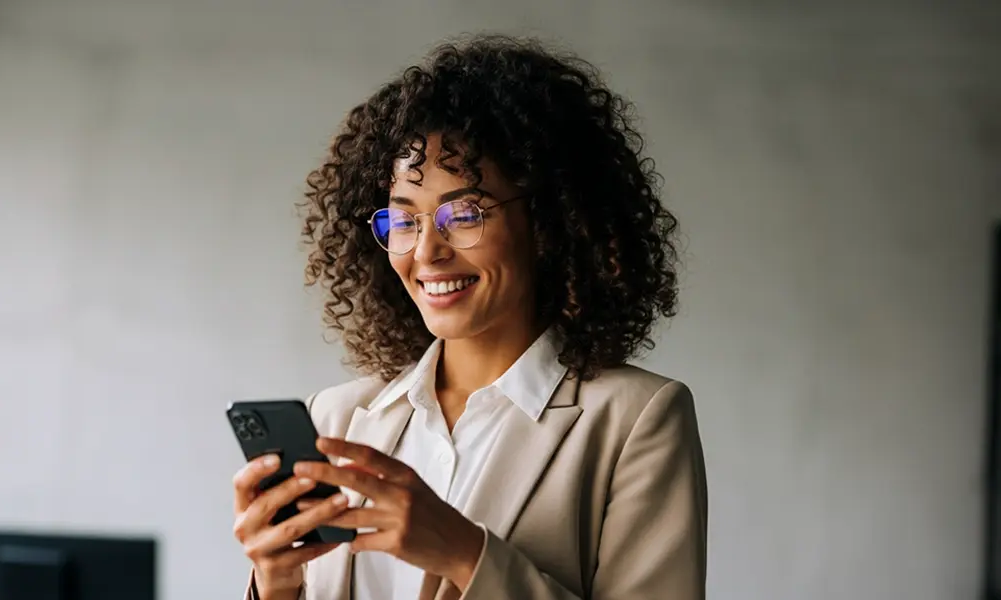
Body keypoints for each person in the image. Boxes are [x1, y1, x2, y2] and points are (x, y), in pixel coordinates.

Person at [232, 34, 707, 600]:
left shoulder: (634, 421)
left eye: (465, 213)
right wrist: (276, 583)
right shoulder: (336, 419)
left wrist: (466, 553)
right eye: (403, 221)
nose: (427, 252)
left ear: (550, 223)